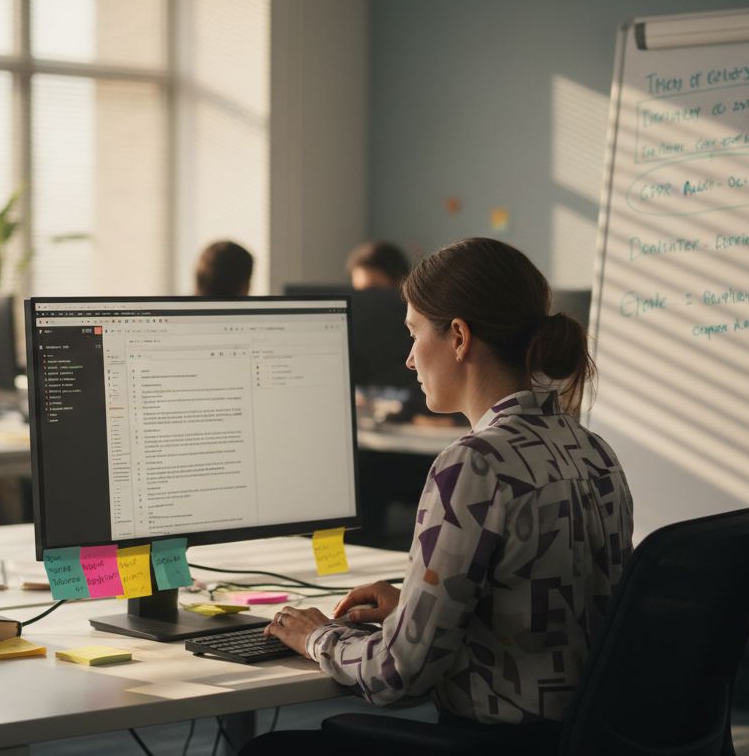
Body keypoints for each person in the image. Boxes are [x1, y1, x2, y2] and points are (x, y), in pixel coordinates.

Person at [246, 238, 635, 753]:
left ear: (458, 337)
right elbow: (546, 616)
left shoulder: (475, 464)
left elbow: (396, 675)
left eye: (413, 333)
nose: (409, 359)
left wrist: (314, 635)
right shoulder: (593, 450)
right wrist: (415, 608)